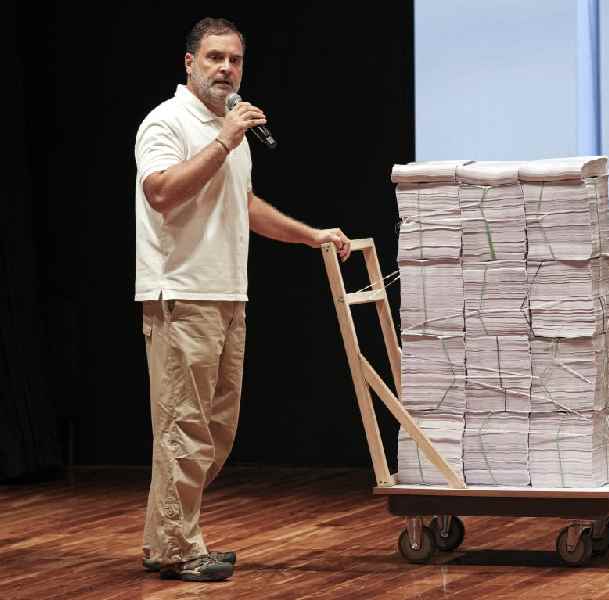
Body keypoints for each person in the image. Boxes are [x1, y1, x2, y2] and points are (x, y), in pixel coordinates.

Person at [134, 17, 350, 582]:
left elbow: (244, 205)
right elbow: (160, 192)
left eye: (234, 60)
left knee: (218, 430)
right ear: (189, 63)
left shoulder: (226, 130)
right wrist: (224, 140)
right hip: (180, 294)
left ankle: (168, 538)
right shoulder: (169, 121)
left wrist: (311, 235)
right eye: (214, 58)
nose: (226, 68)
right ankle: (179, 547)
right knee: (184, 428)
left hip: (229, 294)